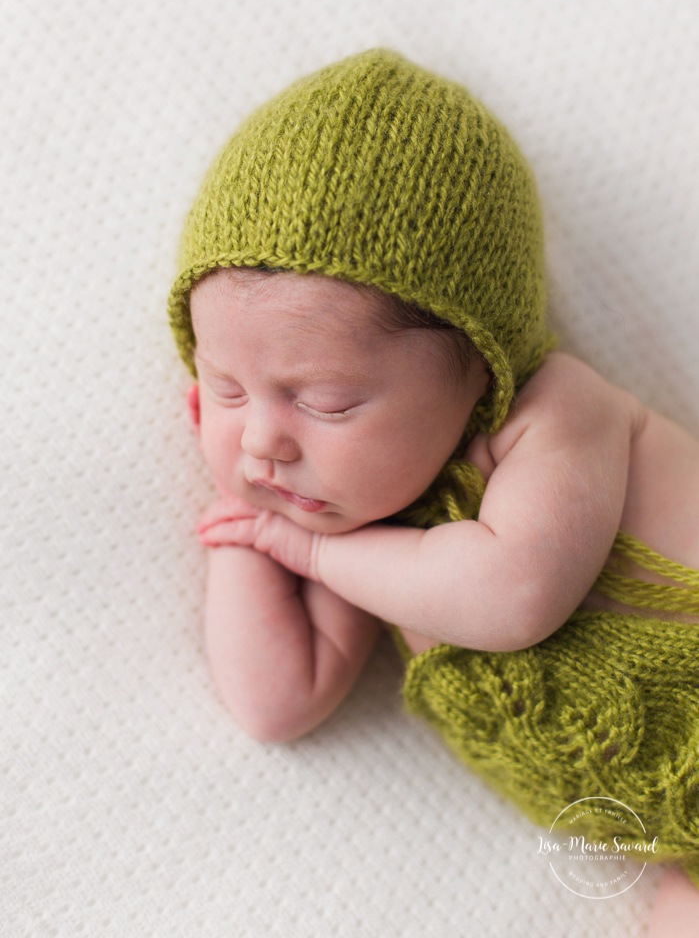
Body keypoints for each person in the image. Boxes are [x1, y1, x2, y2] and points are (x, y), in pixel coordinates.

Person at [168, 49, 699, 932]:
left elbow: (511, 595)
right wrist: (250, 527)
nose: (263, 436)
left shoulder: (559, 416)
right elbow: (277, 700)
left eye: (323, 400)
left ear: (477, 364)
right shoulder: (373, 538)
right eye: (224, 388)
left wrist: (309, 548)